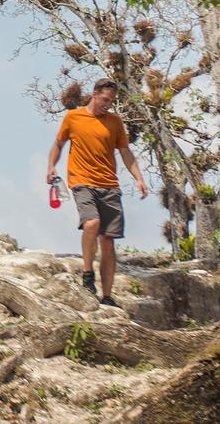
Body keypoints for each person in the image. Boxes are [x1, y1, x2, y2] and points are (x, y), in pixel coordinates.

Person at [45, 79, 148, 307]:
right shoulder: (74, 117)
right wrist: (52, 166)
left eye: (111, 101)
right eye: (104, 100)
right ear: (94, 94)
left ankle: (108, 295)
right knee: (91, 223)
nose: (108, 105)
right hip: (81, 181)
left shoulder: (115, 122)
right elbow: (59, 144)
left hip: (109, 185)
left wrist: (139, 178)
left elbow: (125, 152)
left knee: (109, 241)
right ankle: (87, 273)